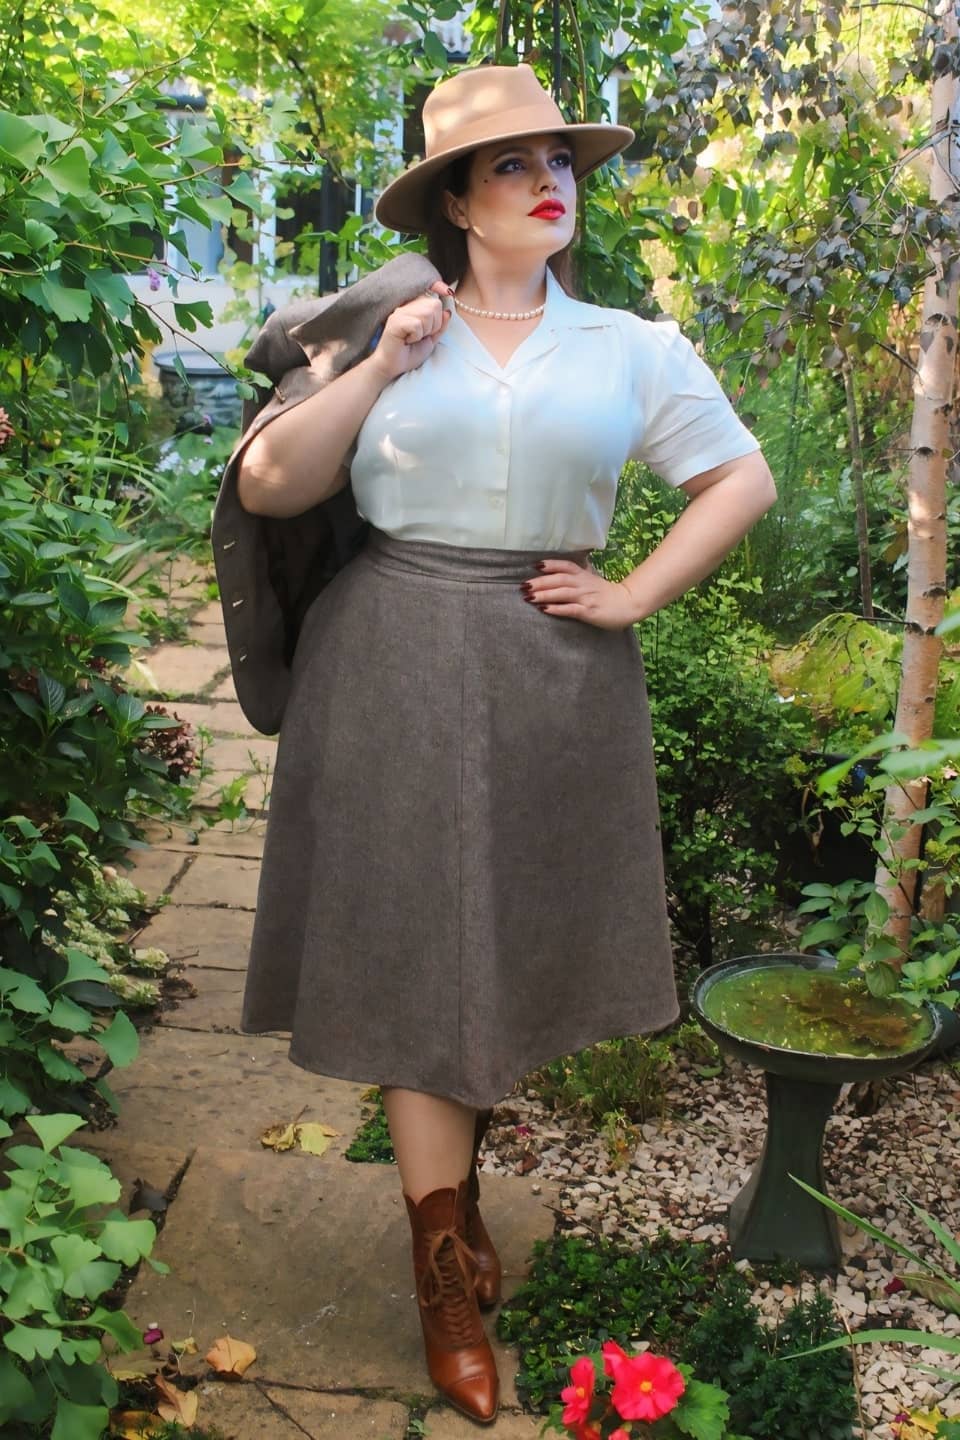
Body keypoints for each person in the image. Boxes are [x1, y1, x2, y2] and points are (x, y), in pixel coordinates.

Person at [230, 63, 776, 1427]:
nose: (549, 183)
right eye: (512, 166)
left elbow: (741, 477)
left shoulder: (632, 349)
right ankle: (442, 1274)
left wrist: (635, 592)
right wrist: (383, 364)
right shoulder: (389, 331)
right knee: (420, 942)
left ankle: (454, 1193)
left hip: (553, 671)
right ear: (459, 206)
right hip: (392, 655)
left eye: (561, 162)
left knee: (500, 941)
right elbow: (273, 484)